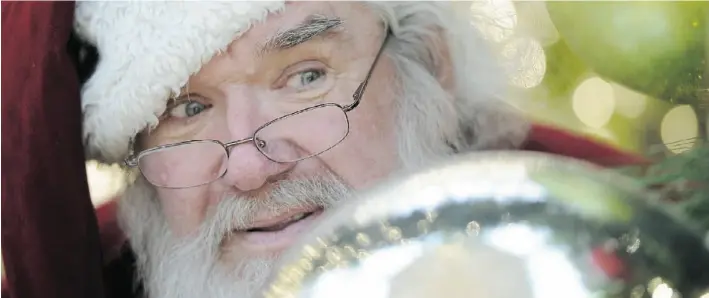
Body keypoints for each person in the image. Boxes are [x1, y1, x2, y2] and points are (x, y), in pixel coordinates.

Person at [1, 2, 646, 298]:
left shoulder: (630, 248)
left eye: (306, 77)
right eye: (187, 110)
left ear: (430, 67)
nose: (251, 168)